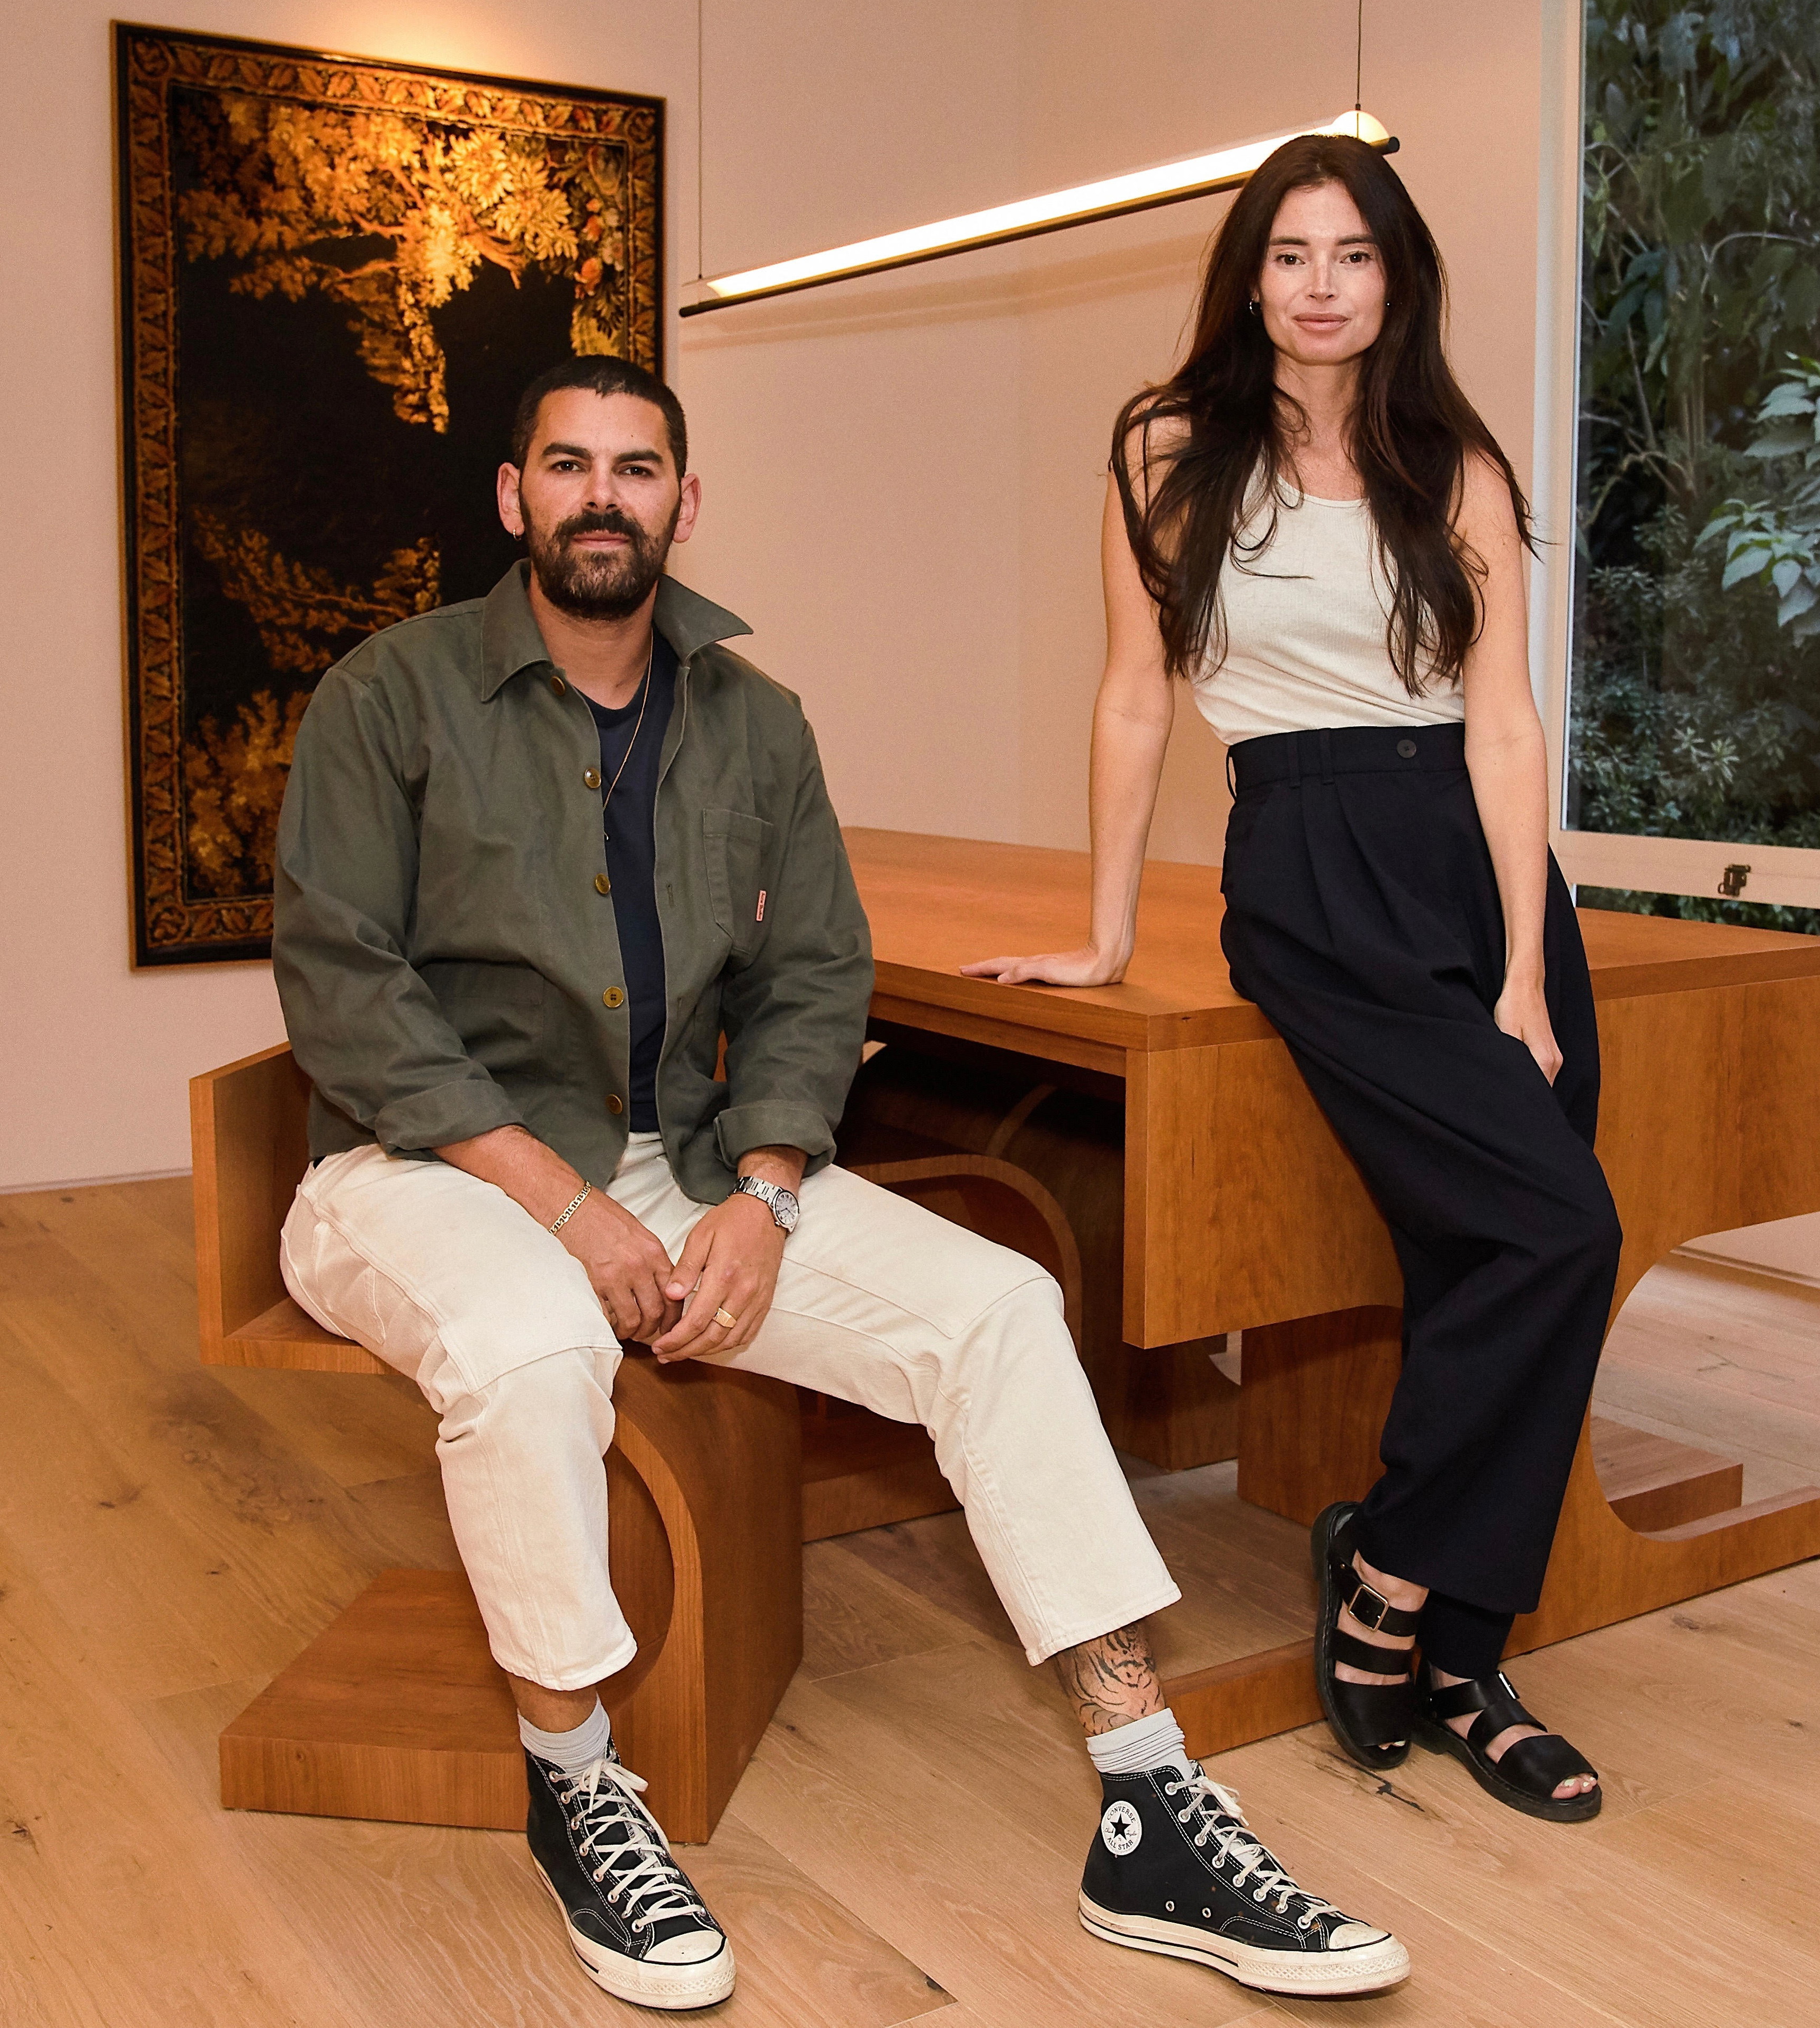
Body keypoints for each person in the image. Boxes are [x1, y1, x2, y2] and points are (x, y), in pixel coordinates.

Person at [272, 355, 1410, 2009]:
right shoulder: (392, 695)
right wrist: (575, 1212)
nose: (606, 495)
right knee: (535, 1353)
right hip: (420, 1169)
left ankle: (1148, 1793)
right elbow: (345, 988)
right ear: (513, 498)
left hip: (683, 1165)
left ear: (685, 501)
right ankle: (576, 1779)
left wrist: (770, 1189)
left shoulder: (756, 722)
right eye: (570, 466)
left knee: (1002, 1307)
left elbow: (815, 979)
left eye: (640, 467)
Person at [964, 134, 1621, 1826]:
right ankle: (1392, 1570)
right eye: (1289, 254)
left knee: (1500, 1250)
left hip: (1480, 877)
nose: (1320, 285)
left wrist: (1531, 977)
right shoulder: (1169, 451)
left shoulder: (1450, 465)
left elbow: (1502, 716)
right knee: (1559, 1228)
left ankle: (1461, 1655)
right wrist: (1107, 932)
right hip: (1313, 864)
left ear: (1397, 281)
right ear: (1248, 276)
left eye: (1354, 256)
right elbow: (1137, 698)